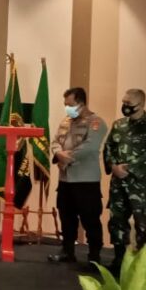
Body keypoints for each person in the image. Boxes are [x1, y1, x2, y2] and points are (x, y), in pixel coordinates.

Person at [103, 88, 146, 273]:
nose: (125, 106)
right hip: (118, 184)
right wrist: (113, 166)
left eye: (128, 104)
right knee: (117, 222)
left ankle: (142, 264)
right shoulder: (119, 125)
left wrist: (127, 169)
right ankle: (119, 259)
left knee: (143, 224)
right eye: (124, 102)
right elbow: (108, 147)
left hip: (141, 184)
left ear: (141, 104)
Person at [48, 87, 107, 265]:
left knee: (90, 218)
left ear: (81, 103)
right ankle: (67, 251)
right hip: (65, 179)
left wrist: (68, 158)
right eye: (65, 104)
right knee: (66, 216)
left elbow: (90, 146)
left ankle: (94, 255)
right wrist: (58, 153)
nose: (67, 108)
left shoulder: (96, 122)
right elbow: (55, 141)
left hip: (86, 180)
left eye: (70, 104)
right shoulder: (66, 121)